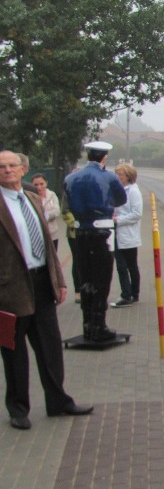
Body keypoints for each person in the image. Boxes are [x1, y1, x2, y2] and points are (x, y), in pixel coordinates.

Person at [0, 150, 94, 430]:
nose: (6, 170)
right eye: (1, 167)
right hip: (11, 290)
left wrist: (59, 281)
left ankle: (58, 402)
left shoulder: (30, 198)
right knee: (14, 353)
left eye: (11, 166)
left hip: (42, 283)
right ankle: (18, 409)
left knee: (50, 348)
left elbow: (48, 243)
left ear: (22, 169)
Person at [63, 141, 127, 342]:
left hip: (80, 231)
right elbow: (121, 199)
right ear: (104, 157)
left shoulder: (71, 178)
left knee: (85, 277)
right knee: (102, 278)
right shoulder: (108, 177)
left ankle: (87, 324)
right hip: (103, 231)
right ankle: (99, 325)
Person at [111, 164, 143, 308]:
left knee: (128, 266)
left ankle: (129, 295)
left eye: (121, 175)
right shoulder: (119, 190)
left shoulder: (133, 191)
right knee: (123, 265)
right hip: (118, 234)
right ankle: (131, 293)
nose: (118, 177)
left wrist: (118, 220)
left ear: (129, 176)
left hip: (127, 233)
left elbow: (137, 214)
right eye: (116, 174)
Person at [31, 173, 62, 251]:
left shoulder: (52, 195)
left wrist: (44, 216)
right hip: (36, 236)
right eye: (36, 184)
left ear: (46, 183)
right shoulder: (30, 197)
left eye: (42, 184)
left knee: (53, 259)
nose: (39, 187)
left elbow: (57, 211)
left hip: (52, 234)